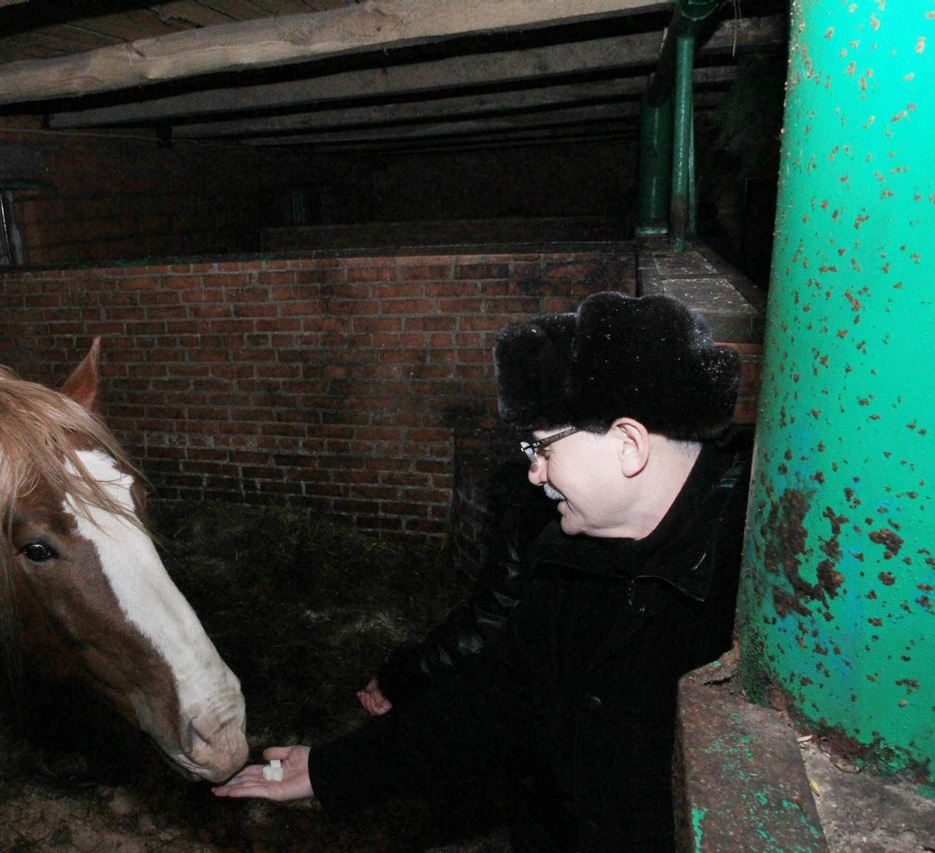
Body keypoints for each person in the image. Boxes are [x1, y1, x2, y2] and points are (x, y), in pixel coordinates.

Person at [212, 291, 752, 853]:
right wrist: (332, 769)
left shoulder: (751, 587)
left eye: (542, 448)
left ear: (628, 445)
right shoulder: (565, 557)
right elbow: (491, 699)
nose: (534, 473)